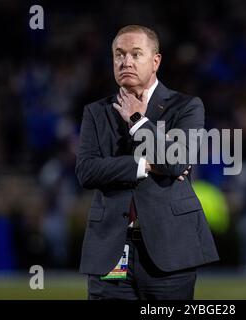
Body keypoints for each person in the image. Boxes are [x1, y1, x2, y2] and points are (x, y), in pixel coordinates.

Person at [75, 25, 219, 300]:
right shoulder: (95, 112)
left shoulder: (186, 107)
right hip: (110, 249)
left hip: (170, 249)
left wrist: (137, 121)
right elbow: (86, 171)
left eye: (135, 54)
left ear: (156, 61)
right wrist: (145, 166)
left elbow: (177, 162)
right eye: (119, 55)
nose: (125, 61)